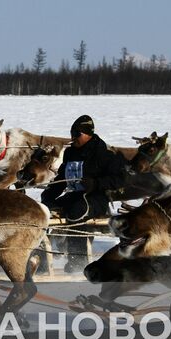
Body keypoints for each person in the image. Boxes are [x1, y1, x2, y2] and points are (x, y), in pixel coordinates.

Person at [41, 114, 129, 273]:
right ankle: (41, 260)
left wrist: (96, 183)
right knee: (42, 211)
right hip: (74, 196)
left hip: (96, 198)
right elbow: (62, 178)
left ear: (88, 133)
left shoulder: (104, 153)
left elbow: (120, 179)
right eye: (72, 133)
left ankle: (78, 261)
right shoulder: (70, 152)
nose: (73, 138)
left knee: (76, 212)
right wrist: (48, 195)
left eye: (77, 134)